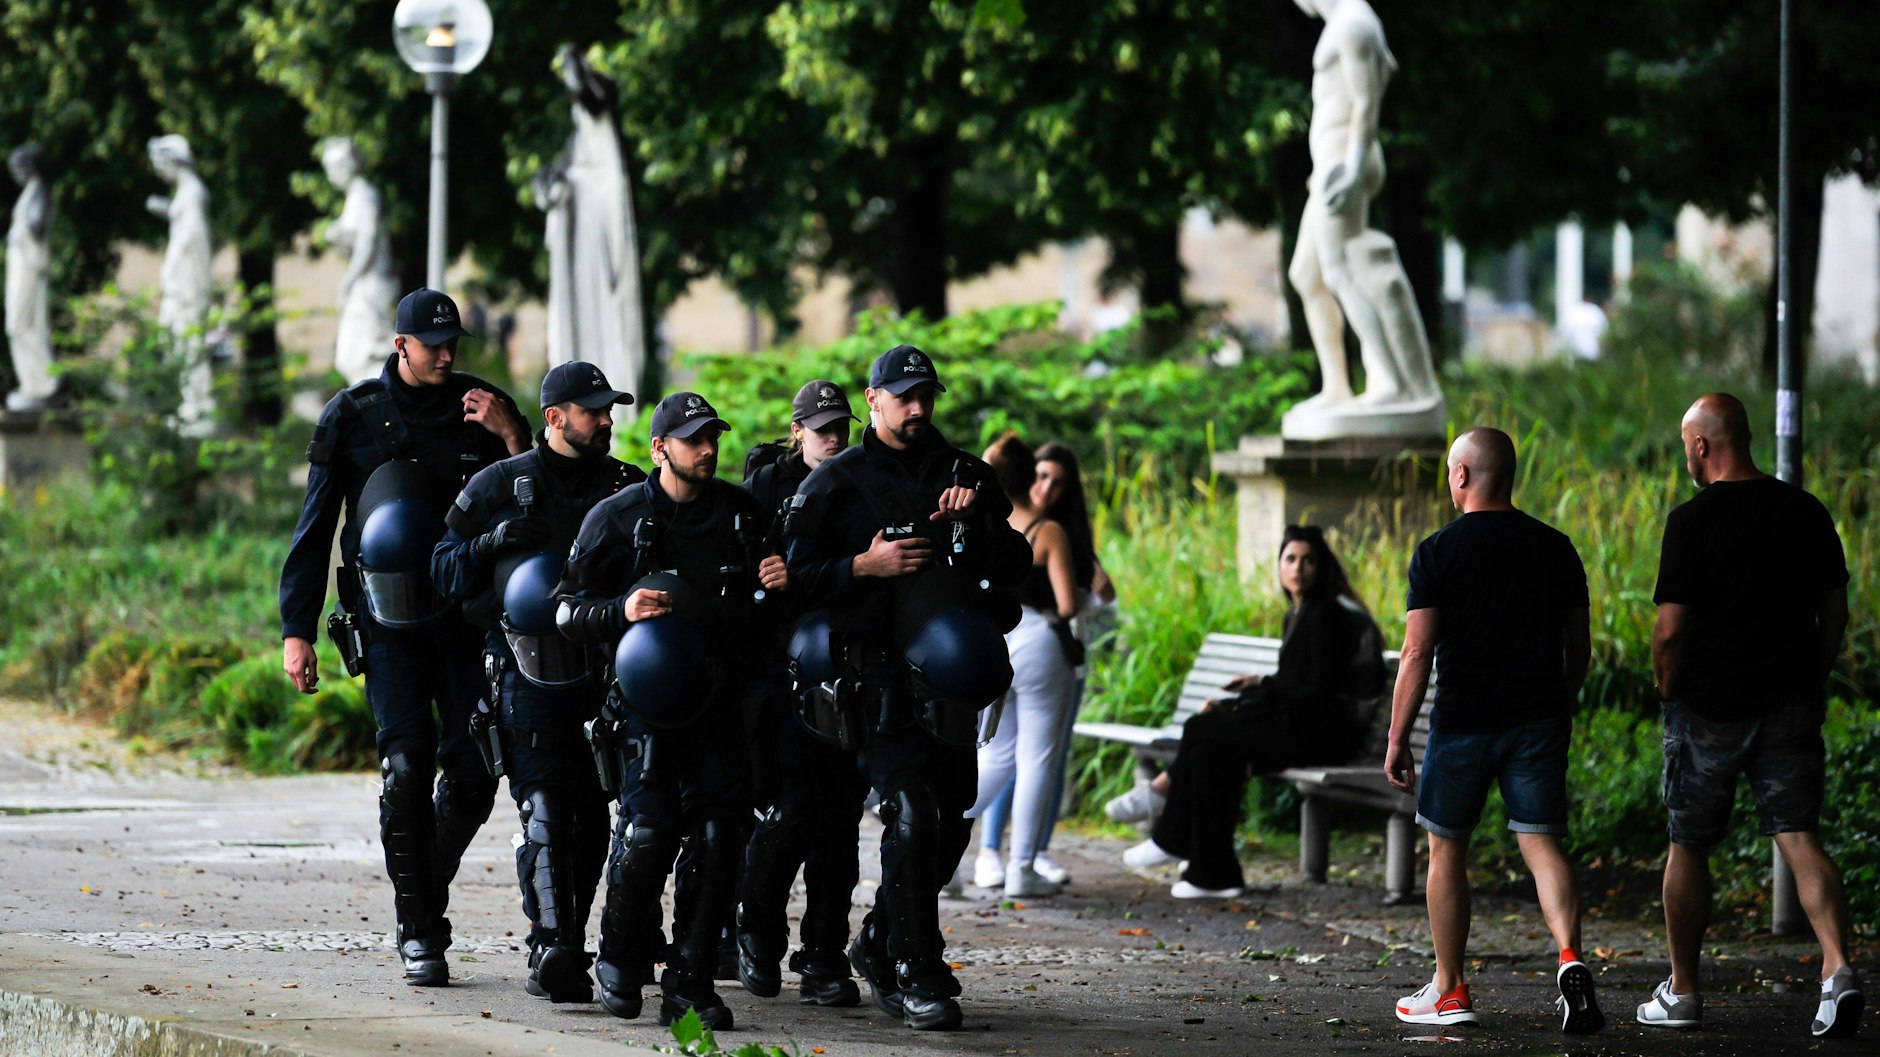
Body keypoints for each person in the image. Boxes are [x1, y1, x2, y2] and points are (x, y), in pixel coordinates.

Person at [278, 288, 531, 986]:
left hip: (465, 615)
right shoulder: (352, 415)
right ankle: (421, 928)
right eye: (433, 344)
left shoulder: (486, 407)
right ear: (401, 345)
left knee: (477, 773)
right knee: (405, 768)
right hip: (385, 621)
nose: (447, 354)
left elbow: (538, 499)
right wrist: (295, 631)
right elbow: (315, 529)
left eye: (454, 343)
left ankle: (423, 881)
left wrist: (513, 437)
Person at [784, 344, 1032, 1031]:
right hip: (875, 678)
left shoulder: (965, 474)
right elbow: (791, 578)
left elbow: (1018, 564)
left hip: (950, 681)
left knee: (952, 815)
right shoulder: (837, 482)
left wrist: (978, 518)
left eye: (927, 395)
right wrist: (863, 564)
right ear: (873, 399)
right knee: (913, 811)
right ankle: (918, 968)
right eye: (904, 396)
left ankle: (881, 940)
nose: (918, 408)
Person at [1640, 393, 1859, 1039]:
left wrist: (1665, 687)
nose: (1687, 453)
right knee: (1798, 835)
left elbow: (1669, 628)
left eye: (1688, 443)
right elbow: (1836, 611)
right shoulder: (1806, 510)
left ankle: (1682, 992)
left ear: (1703, 445)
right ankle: (1838, 970)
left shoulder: (1691, 521)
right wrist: (1811, 676)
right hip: (1789, 700)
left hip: (1707, 707)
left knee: (1689, 842)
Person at [555, 391, 771, 1029]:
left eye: (714, 439)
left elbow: (771, 597)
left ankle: (692, 977)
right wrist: (619, 610)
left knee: (720, 835)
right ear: (659, 448)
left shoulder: (741, 513)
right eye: (694, 439)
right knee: (648, 832)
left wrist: (776, 585)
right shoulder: (616, 518)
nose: (708, 450)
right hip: (644, 707)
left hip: (720, 701)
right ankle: (619, 958)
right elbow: (565, 611)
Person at [429, 362, 643, 1003]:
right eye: (593, 410)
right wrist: (491, 542)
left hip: (603, 668)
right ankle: (551, 946)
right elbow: (443, 567)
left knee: (593, 815)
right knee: (543, 806)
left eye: (608, 410)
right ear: (555, 417)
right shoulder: (501, 483)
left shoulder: (625, 485)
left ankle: (572, 939)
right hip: (522, 668)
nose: (606, 420)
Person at [1383, 427, 1602, 1034]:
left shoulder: (1436, 551)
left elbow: (1415, 653)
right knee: (1542, 843)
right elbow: (1576, 644)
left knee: (1447, 849)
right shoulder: (1556, 548)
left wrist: (1398, 738)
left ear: (1461, 476)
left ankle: (1450, 989)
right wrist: (1565, 699)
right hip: (1538, 717)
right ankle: (1569, 958)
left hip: (1463, 723)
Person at [1114, 525, 1381, 899]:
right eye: (1290, 559)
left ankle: (1172, 832)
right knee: (1209, 749)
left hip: (1322, 735)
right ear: (1279, 566)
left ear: (1322, 567)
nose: (1298, 568)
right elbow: (1293, 684)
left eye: (1308, 560)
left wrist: (1261, 685)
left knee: (1201, 729)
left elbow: (1317, 691)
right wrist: (1241, 698)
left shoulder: (1326, 616)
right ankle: (1216, 874)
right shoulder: (1298, 614)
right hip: (1301, 725)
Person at [734, 379, 873, 1006]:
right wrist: (765, 575)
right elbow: (738, 566)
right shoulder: (766, 485)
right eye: (822, 430)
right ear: (797, 432)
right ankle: (757, 932)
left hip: (846, 668)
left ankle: (822, 955)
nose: (834, 439)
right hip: (777, 675)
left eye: (840, 428)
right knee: (791, 812)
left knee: (841, 823)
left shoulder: (858, 481)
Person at [973, 442, 1114, 888]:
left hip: (995, 642)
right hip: (1039, 643)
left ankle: (939, 838)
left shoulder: (983, 525)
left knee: (994, 754)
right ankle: (1021, 870)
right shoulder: (1046, 530)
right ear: (1028, 478)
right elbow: (1069, 605)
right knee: (1037, 760)